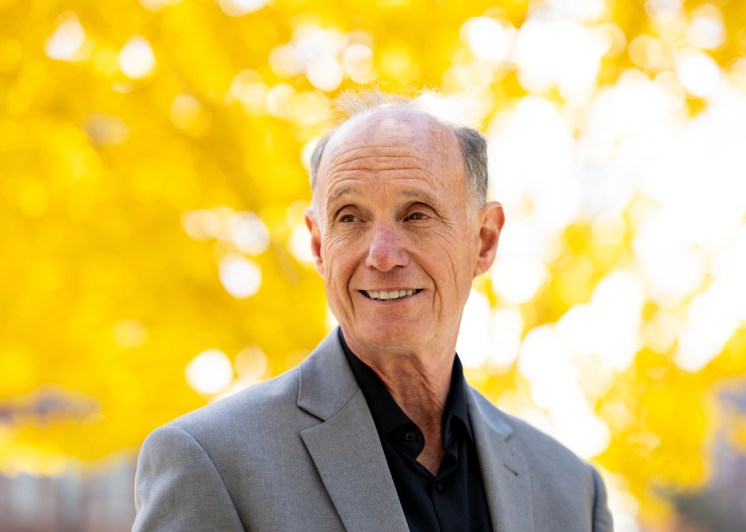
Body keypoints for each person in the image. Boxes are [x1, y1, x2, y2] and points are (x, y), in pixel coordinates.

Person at [133, 93, 614, 532]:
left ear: (484, 240)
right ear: (319, 245)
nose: (382, 255)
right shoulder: (211, 463)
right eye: (350, 218)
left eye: (417, 214)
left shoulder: (572, 492)